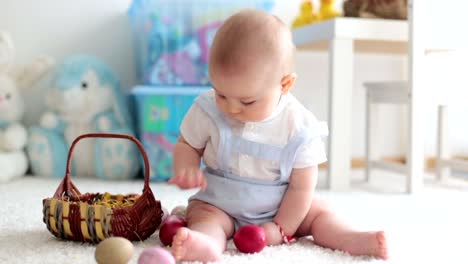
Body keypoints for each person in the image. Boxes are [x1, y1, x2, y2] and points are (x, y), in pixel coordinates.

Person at [168, 9, 388, 262]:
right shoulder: (207, 109)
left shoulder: (300, 126)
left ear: (285, 85)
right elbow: (187, 145)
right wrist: (186, 167)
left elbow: (302, 187)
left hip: (283, 206)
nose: (231, 108)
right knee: (205, 218)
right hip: (220, 202)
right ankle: (206, 243)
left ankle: (354, 238)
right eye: (221, 94)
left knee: (319, 214)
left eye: (247, 101)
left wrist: (281, 227)